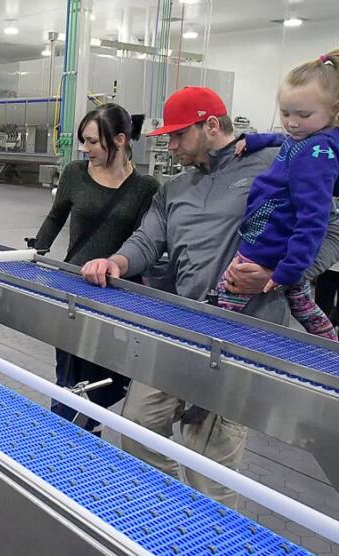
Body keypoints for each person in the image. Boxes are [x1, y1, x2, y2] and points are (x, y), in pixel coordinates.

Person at [79, 86, 339, 508]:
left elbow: (330, 229)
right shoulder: (175, 188)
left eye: (180, 135)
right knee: (137, 429)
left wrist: (277, 276)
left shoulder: (275, 166)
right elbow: (148, 239)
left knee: (211, 471)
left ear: (211, 126)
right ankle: (177, 512)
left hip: (244, 340)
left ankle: (208, 530)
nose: (171, 145)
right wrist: (118, 262)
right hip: (182, 328)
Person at [33, 103, 159, 433]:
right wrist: (33, 256)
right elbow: (55, 217)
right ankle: (61, 437)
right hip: (72, 288)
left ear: (119, 140)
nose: (84, 149)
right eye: (83, 141)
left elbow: (146, 242)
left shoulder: (145, 188)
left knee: (107, 377)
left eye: (92, 142)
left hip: (117, 296)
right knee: (68, 373)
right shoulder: (75, 173)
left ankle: (89, 431)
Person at [216, 50, 339, 340]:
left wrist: (287, 271)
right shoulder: (310, 138)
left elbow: (313, 219)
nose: (291, 122)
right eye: (285, 113)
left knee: (226, 295)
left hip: (267, 247)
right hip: (272, 242)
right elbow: (284, 139)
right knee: (302, 303)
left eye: (303, 115)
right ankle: (331, 347)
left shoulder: (317, 153)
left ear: (334, 109)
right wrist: (255, 139)